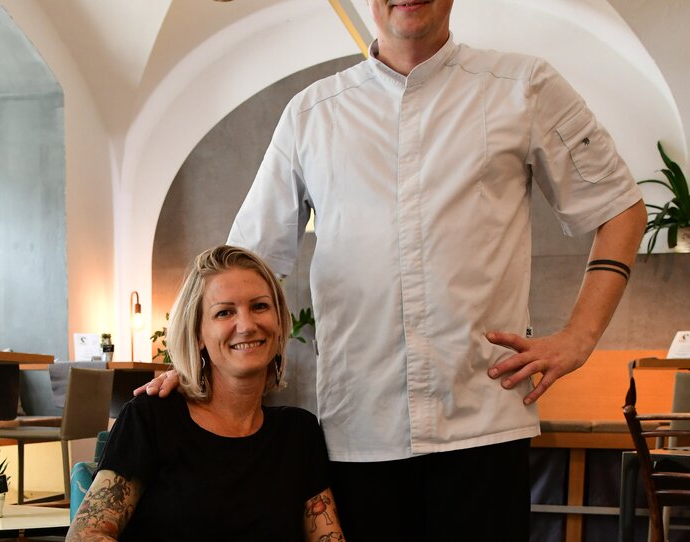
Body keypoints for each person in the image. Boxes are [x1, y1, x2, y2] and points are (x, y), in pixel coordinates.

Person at [138, 1, 648, 540]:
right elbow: (241, 263)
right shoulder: (311, 114)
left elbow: (620, 208)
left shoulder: (524, 86)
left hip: (482, 427)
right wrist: (191, 364)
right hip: (359, 433)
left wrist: (579, 337)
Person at [68, 245, 345, 542]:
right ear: (198, 333)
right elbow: (87, 534)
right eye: (224, 312)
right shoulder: (152, 417)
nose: (247, 325)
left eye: (260, 306)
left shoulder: (298, 432)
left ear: (278, 322)